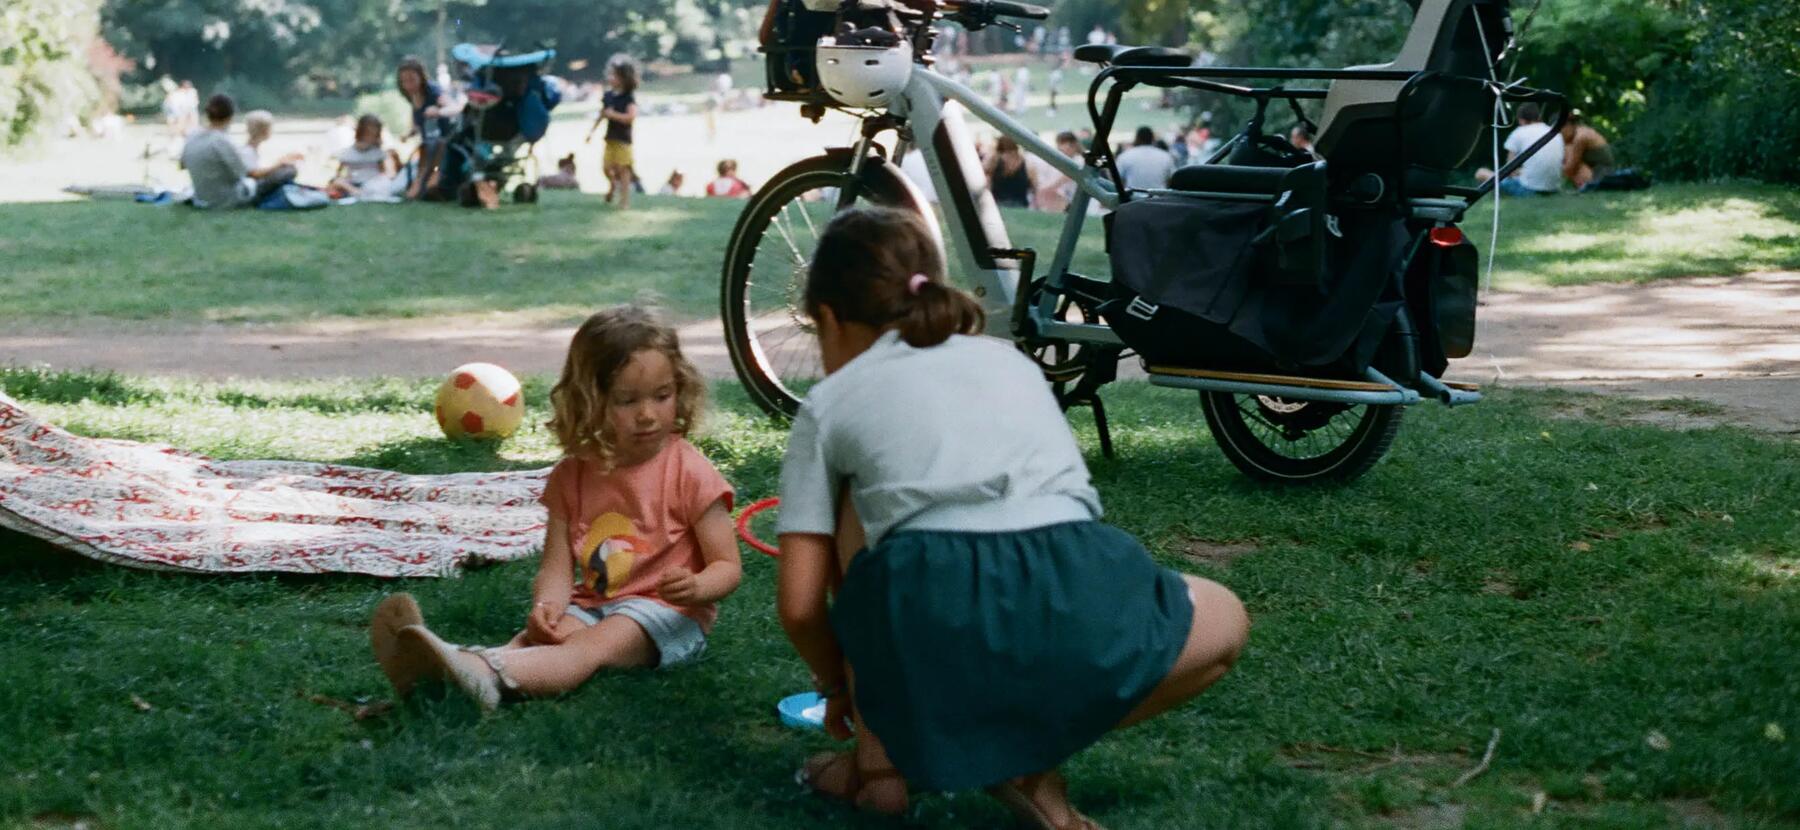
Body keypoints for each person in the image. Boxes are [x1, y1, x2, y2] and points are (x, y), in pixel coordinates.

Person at [775, 207, 1250, 825]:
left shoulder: (829, 402)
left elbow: (800, 605)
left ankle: (886, 764)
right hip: (1075, 575)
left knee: (858, 507)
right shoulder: (1011, 362)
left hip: (926, 597)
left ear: (830, 319)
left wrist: (837, 686)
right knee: (1224, 622)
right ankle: (1028, 758)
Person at [370, 306, 740, 711]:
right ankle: (452, 680)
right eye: (626, 400)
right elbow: (557, 566)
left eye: (662, 396)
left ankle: (475, 669)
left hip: (667, 615)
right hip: (595, 603)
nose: (648, 414)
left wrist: (697, 587)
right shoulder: (572, 475)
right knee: (538, 638)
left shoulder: (690, 471)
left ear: (680, 390)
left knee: (590, 646)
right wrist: (547, 606)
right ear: (590, 401)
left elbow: (727, 566)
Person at [179, 93, 296, 210]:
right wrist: (279, 163)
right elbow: (248, 174)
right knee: (288, 171)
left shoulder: (192, 135)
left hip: (201, 199)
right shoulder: (223, 141)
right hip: (229, 199)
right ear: (230, 117)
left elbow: (182, 164)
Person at [397, 56, 458, 200]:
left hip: (444, 142)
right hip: (427, 145)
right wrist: (409, 133)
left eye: (412, 79)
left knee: (433, 148)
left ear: (421, 77)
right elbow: (417, 123)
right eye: (404, 81)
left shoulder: (433, 91)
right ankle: (420, 185)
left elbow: (455, 107)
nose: (408, 85)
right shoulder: (412, 95)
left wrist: (438, 111)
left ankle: (428, 183)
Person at [1474, 103, 1562, 196]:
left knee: (1480, 172)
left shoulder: (1518, 132)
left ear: (1521, 120)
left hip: (1528, 189)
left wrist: (1516, 173)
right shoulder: (1554, 133)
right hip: (1553, 189)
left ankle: (1492, 196)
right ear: (1538, 116)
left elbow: (1509, 169)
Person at [588, 56, 640, 210]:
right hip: (610, 138)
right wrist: (591, 131)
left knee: (623, 169)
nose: (610, 78)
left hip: (623, 139)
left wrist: (614, 115)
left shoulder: (628, 98)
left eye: (614, 75)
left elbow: (630, 117)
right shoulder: (608, 96)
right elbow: (602, 114)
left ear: (623, 78)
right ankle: (612, 184)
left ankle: (624, 201)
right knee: (606, 167)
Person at [330, 115, 402, 200]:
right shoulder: (347, 153)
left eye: (373, 134)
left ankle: (363, 193)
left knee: (383, 182)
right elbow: (338, 174)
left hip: (372, 182)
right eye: (368, 134)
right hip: (353, 183)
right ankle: (357, 192)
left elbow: (388, 173)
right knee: (338, 182)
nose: (370, 137)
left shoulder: (379, 153)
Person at [1559, 112, 1617, 191]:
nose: (1560, 133)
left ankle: (1586, 186)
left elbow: (1571, 168)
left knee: (1571, 158)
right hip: (1596, 169)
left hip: (1602, 174)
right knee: (1567, 150)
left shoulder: (1580, 138)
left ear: (1568, 126)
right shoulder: (1579, 132)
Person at [1030, 131, 1082, 214]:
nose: (1062, 150)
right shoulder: (1063, 162)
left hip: (1075, 200)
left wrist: (1043, 191)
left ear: (1073, 146)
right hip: (1065, 197)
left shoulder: (1079, 161)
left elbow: (1061, 181)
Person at [1115, 125, 1176, 190]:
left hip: (1133, 198)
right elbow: (1171, 180)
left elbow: (1118, 180)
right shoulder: (1166, 156)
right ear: (1153, 139)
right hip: (1158, 198)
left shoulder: (1125, 156)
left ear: (1137, 138)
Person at [984, 135, 1033, 208]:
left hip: (998, 203)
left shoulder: (995, 160)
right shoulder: (1025, 162)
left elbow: (985, 175)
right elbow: (1033, 184)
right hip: (1021, 204)